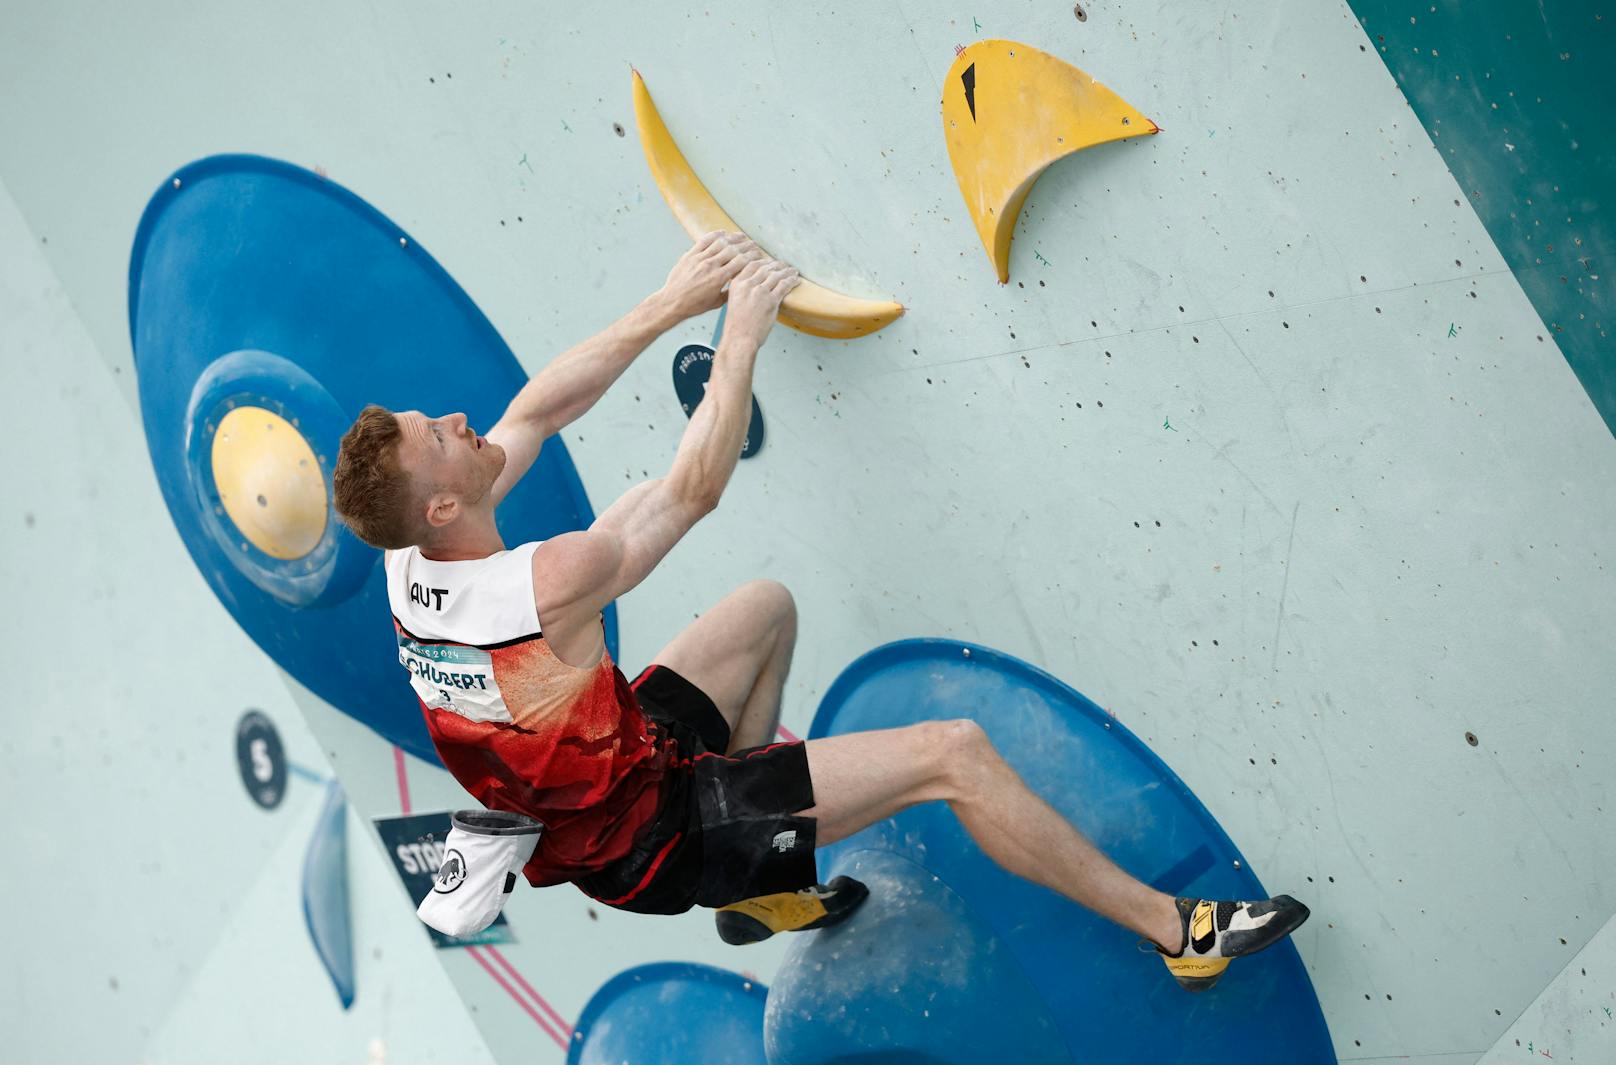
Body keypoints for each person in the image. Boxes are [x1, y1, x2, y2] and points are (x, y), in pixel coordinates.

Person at [332, 231, 1308, 991]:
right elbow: (687, 494)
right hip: (660, 837)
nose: (457, 420)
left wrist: (670, 302)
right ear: (445, 506)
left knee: (763, 611)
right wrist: (741, 328)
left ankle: (766, 883)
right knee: (952, 754)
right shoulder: (541, 586)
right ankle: (1175, 933)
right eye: (439, 437)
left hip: (614, 768)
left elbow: (533, 413)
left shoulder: (407, 556)